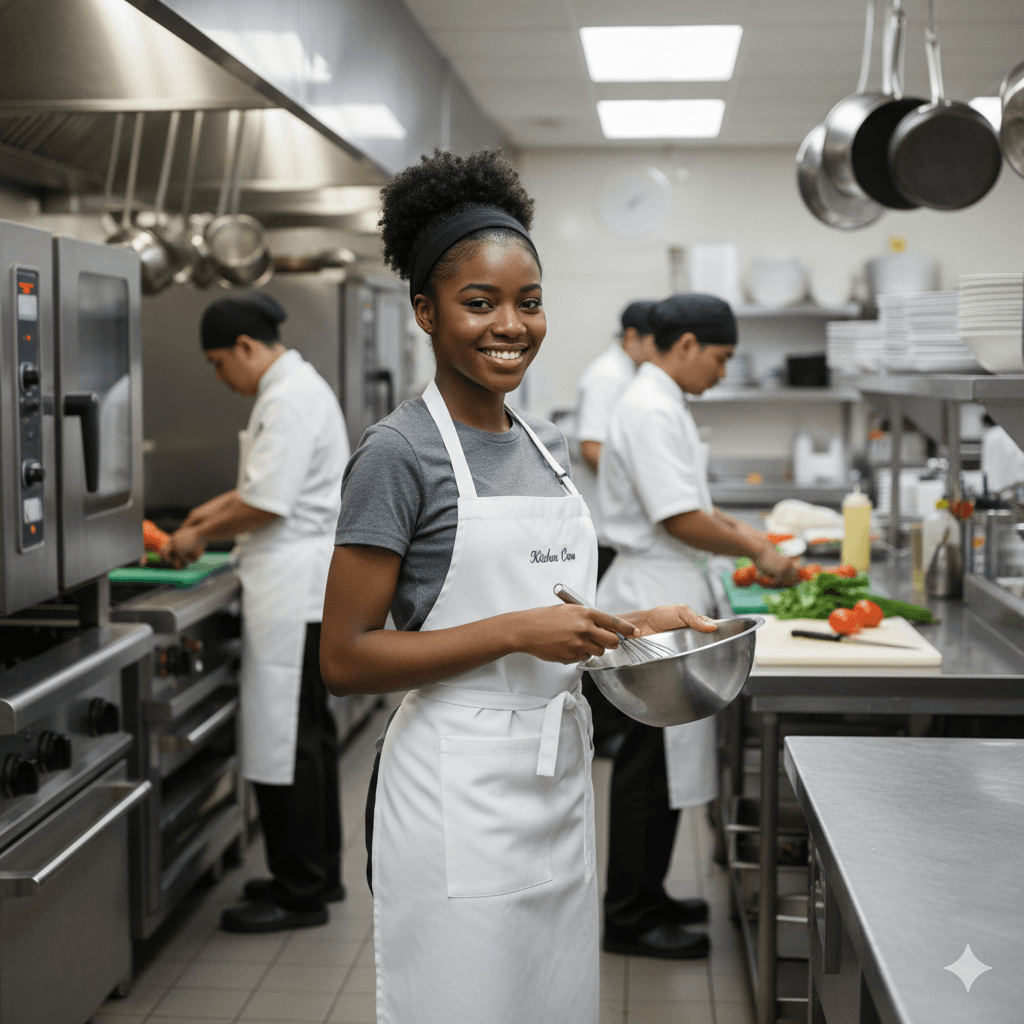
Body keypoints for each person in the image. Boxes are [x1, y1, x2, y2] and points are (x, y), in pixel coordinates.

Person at [319, 149, 717, 1024]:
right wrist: (511, 632)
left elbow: (557, 617)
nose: (512, 325)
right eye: (479, 302)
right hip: (455, 793)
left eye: (528, 302)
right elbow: (345, 659)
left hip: (553, 783)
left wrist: (632, 624)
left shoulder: (536, 443)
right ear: (425, 311)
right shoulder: (397, 454)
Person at [597, 292, 799, 960]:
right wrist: (756, 550)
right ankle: (628, 917)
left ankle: (648, 896)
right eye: (720, 358)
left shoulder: (663, 401)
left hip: (666, 587)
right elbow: (679, 519)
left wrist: (750, 537)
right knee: (645, 768)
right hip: (650, 596)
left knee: (660, 765)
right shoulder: (650, 407)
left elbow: (696, 508)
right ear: (685, 345)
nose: (722, 371)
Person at [161, 293, 350, 933]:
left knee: (287, 740)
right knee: (310, 737)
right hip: (305, 587)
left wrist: (197, 538)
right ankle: (320, 873)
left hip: (293, 588)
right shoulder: (293, 386)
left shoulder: (288, 396)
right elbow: (261, 485)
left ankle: (300, 893)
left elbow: (267, 503)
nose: (220, 378)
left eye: (218, 363)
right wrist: (206, 515)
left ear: (245, 347)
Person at [574, 300, 657, 755]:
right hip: (603, 526)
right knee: (600, 633)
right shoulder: (609, 376)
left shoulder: (625, 375)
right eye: (652, 340)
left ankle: (605, 728)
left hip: (610, 521)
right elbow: (592, 446)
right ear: (632, 338)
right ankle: (602, 731)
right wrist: (642, 480)